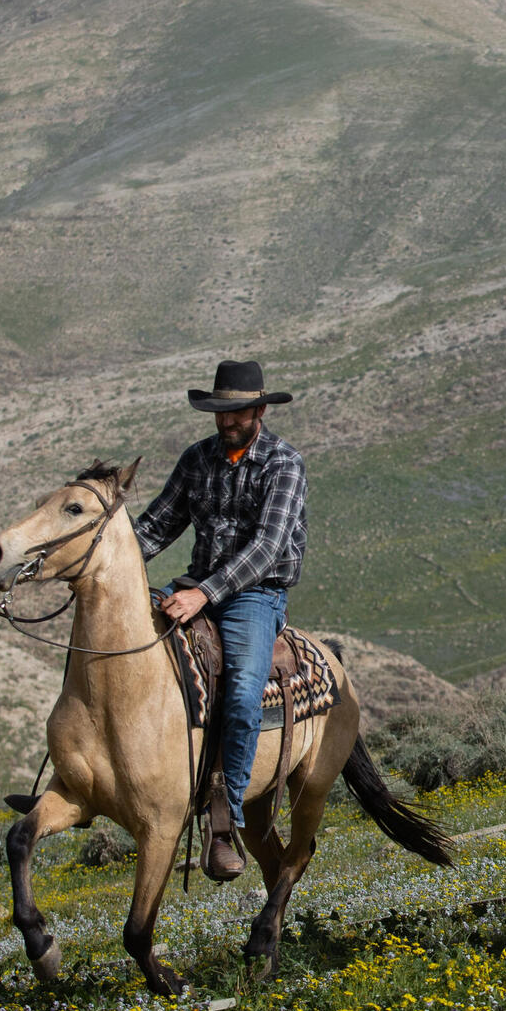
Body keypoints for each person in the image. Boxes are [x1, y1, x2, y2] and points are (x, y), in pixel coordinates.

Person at [134, 359, 307, 880]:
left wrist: (203, 595)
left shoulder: (283, 464)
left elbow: (267, 548)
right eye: (220, 413)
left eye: (237, 413)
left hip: (256, 594)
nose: (227, 422)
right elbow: (157, 525)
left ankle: (225, 822)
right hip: (198, 586)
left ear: (258, 409)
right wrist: (112, 561)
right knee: (126, 649)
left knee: (240, 692)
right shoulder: (198, 460)